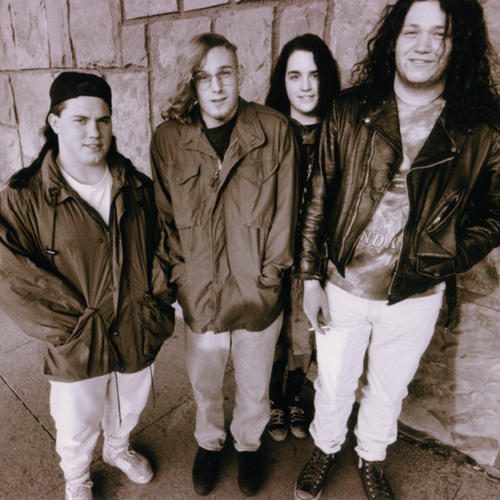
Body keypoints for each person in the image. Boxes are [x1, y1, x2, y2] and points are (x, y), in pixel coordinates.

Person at [293, 1, 500, 499]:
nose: (424, 45)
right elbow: (318, 195)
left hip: (416, 294)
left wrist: (448, 254)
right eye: (412, 31)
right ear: (394, 39)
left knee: (388, 388)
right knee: (333, 383)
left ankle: (371, 457)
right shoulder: (350, 109)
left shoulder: (481, 128)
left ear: (457, 44)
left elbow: (497, 213)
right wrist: (310, 278)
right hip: (343, 284)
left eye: (439, 34)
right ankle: (326, 447)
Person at [0, 72, 175, 500]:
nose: (94, 132)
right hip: (76, 338)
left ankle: (118, 448)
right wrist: (71, 328)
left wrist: (154, 303)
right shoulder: (24, 197)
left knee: (130, 402)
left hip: (136, 325)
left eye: (102, 120)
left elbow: (164, 249)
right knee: (75, 420)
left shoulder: (137, 188)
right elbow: (13, 276)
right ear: (55, 122)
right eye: (80, 120)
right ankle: (77, 478)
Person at [151, 33, 298, 497]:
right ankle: (210, 441)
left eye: (225, 73)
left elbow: (286, 213)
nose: (216, 87)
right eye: (204, 77)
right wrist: (181, 279)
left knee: (255, 382)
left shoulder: (274, 129)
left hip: (258, 289)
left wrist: (271, 277)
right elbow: (165, 219)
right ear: (192, 84)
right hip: (200, 291)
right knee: (205, 380)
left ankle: (249, 443)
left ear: (240, 74)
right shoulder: (169, 139)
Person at [264, 33, 341, 442]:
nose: (306, 86)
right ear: (283, 81)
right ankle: (271, 401)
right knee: (272, 333)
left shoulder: (340, 131)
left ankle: (294, 396)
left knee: (304, 333)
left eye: (314, 74)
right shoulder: (269, 130)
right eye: (295, 75)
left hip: (319, 256)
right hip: (274, 251)